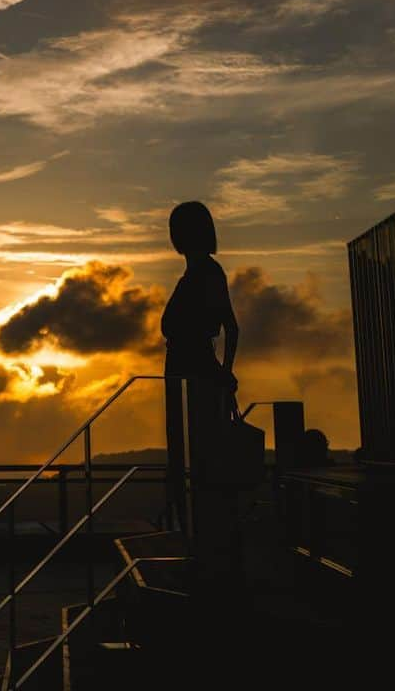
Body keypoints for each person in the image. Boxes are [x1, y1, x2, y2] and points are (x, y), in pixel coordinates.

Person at [161, 201, 241, 573]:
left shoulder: (207, 273)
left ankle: (205, 548)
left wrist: (223, 373)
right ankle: (196, 542)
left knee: (197, 456)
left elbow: (231, 327)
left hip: (194, 371)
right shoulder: (199, 272)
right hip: (187, 371)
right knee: (184, 454)